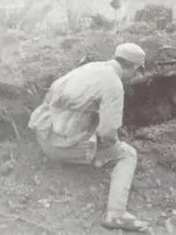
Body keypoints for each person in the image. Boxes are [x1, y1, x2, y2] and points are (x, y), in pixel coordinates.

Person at [28, 43, 149, 232]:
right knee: (128, 154)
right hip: (62, 147)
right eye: (137, 70)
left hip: (44, 134)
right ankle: (116, 214)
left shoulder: (89, 67)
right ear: (133, 67)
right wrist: (113, 146)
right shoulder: (114, 84)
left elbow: (51, 94)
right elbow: (108, 132)